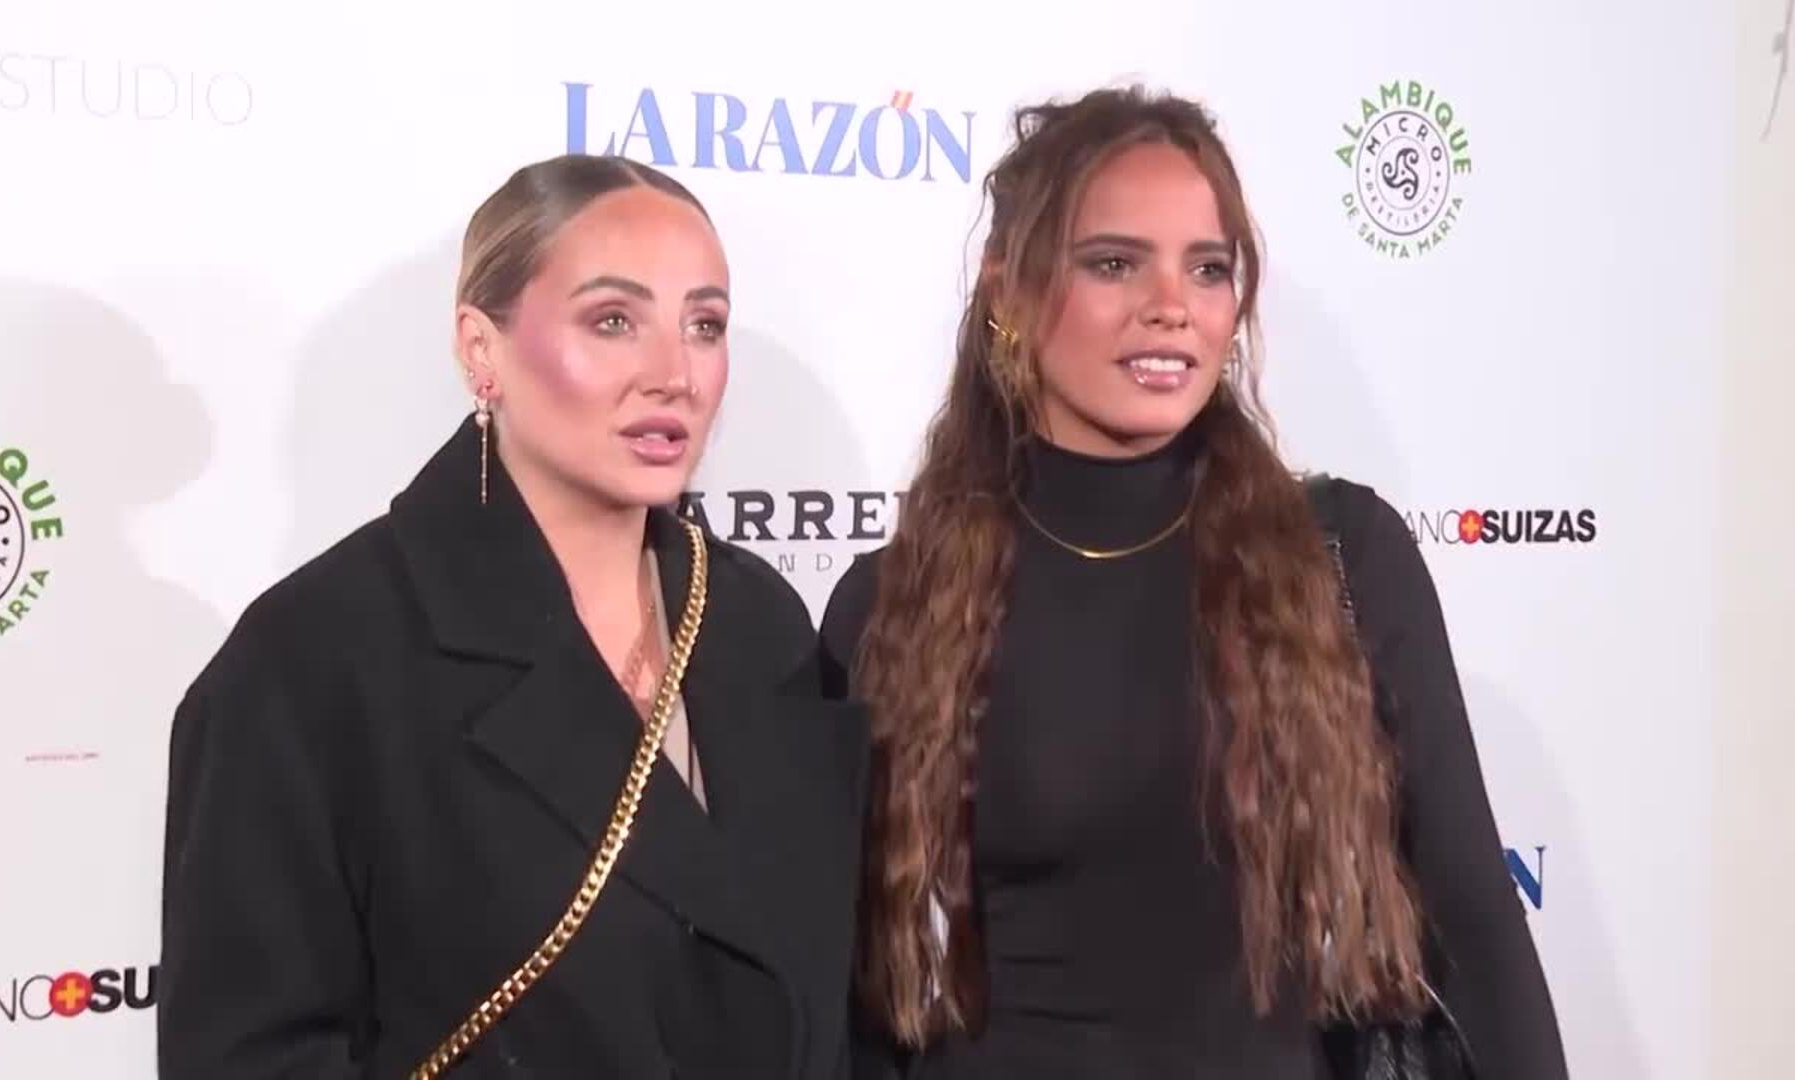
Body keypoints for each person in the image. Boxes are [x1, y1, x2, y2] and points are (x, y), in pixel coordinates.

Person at [822, 87, 1569, 1079]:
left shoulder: (1341, 558)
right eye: (1114, 263)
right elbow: (854, 998)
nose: (1171, 304)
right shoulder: (891, 601)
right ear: (1007, 288)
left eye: (1207, 268)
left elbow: (1475, 918)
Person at [159, 154, 868, 1079]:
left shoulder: (757, 619)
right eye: (613, 321)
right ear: (480, 349)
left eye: (704, 325)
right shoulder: (313, 661)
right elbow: (247, 1057)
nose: (674, 375)